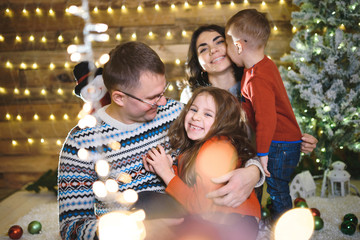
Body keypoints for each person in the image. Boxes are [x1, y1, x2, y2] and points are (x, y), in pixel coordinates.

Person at [58, 41, 264, 240]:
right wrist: (135, 229)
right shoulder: (81, 143)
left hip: (196, 216)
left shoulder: (176, 113)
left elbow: (228, 143)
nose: (163, 101)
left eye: (163, 91)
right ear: (119, 98)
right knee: (145, 200)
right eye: (153, 97)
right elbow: (71, 227)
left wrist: (253, 172)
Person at [184, 24, 318, 207]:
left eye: (219, 42)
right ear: (198, 62)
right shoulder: (191, 98)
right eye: (203, 48)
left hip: (251, 179)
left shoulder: (256, 85)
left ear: (234, 46)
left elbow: (273, 126)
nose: (213, 50)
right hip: (205, 181)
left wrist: (295, 141)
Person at [143, 86, 261, 240]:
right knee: (148, 201)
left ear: (224, 122)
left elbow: (200, 206)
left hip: (236, 224)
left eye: (207, 114)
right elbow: (193, 182)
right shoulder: (199, 147)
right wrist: (165, 167)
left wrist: (165, 173)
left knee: (148, 203)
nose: (196, 117)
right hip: (224, 221)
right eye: (193, 110)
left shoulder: (217, 149)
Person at [224, 8, 308, 220]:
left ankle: (285, 226)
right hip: (282, 141)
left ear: (238, 46)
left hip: (280, 144)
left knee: (277, 188)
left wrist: (262, 155)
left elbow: (267, 118)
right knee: (277, 187)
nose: (226, 50)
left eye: (227, 43)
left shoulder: (257, 79)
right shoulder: (262, 66)